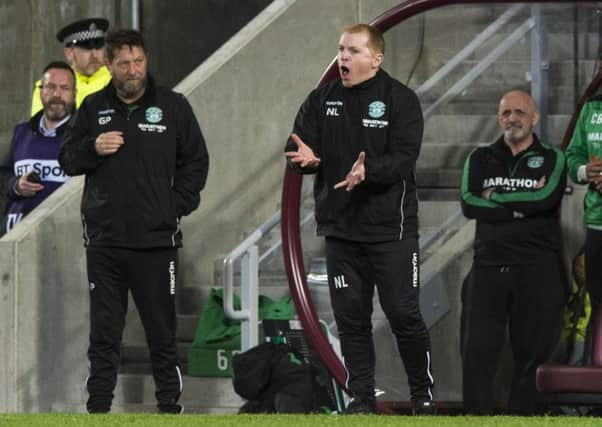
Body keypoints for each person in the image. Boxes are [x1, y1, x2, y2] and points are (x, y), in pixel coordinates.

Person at [285, 24, 435, 415]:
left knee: (404, 314)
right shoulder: (322, 99)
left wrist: (369, 172)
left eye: (352, 51)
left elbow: (404, 159)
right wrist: (307, 160)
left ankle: (422, 395)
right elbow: (299, 144)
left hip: (392, 231)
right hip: (341, 231)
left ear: (376, 58)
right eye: (340, 50)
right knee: (352, 319)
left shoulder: (401, 101)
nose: (343, 58)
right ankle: (362, 398)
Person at [59, 29, 209, 414]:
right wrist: (94, 147)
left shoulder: (173, 106)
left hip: (157, 243)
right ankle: (98, 411)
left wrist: (175, 206)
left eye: (138, 61)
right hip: (105, 243)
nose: (133, 70)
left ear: (147, 61)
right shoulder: (92, 108)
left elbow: (196, 161)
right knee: (104, 335)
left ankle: (168, 409)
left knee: (162, 335)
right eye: (124, 63)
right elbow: (67, 158)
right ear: (109, 65)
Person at [460, 90, 567, 415]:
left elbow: (545, 199)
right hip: (488, 268)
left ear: (534, 118)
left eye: (520, 112)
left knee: (533, 354)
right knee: (475, 351)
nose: (512, 118)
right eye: (506, 112)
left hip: (538, 268)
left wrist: (495, 196)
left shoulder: (553, 157)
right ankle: (477, 419)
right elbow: (468, 202)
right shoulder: (479, 157)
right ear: (499, 118)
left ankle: (524, 419)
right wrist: (516, 207)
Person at [0, 61, 75, 235]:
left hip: (64, 238)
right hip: (15, 237)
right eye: (50, 87)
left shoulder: (84, 135)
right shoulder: (22, 132)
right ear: (40, 92)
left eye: (65, 88)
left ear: (74, 94)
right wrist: (16, 185)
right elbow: (3, 175)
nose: (57, 94)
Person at [567, 93, 602, 324]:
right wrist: (584, 171)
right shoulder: (590, 108)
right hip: (596, 222)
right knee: (597, 301)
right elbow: (573, 155)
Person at [31, 18, 111, 116]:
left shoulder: (117, 79)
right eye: (86, 47)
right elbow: (42, 127)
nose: (94, 54)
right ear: (69, 53)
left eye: (99, 46)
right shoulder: (49, 85)